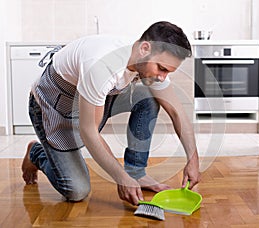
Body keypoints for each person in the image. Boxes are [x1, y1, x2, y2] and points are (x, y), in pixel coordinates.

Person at [22, 21, 200, 205]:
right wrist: (120, 177)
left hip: (92, 97)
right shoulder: (101, 65)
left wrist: (193, 160)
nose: (162, 77)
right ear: (145, 48)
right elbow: (89, 131)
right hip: (55, 104)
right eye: (161, 69)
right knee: (76, 190)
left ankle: (136, 173)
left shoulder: (143, 59)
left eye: (168, 72)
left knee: (148, 98)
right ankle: (36, 153)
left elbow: (177, 112)